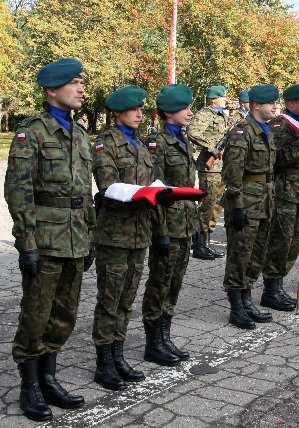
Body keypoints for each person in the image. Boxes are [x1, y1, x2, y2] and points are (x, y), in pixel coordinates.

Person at [4, 58, 93, 421]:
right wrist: (26, 243)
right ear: (52, 90)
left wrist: (88, 236)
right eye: (75, 82)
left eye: (83, 83)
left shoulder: (80, 134)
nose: (82, 89)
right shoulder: (33, 132)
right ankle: (30, 385)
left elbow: (86, 192)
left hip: (75, 238)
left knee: (65, 314)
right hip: (45, 238)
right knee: (36, 316)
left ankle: (49, 377)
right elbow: (18, 190)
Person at [91, 85, 154, 390]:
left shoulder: (140, 146)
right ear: (118, 112)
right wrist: (145, 194)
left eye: (142, 109)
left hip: (139, 232)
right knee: (110, 299)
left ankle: (118, 354)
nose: (140, 114)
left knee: (127, 298)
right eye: (134, 109)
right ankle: (104, 363)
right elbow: (108, 186)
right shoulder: (106, 143)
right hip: (114, 233)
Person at [141, 84, 198, 366]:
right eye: (185, 107)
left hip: (184, 223)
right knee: (160, 282)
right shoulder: (158, 143)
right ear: (169, 112)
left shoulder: (183, 139)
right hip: (168, 226)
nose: (190, 112)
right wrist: (160, 231)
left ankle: (165, 335)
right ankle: (153, 341)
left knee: (174, 283)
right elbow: (155, 191)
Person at [222, 84, 279, 329]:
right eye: (271, 104)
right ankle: (236, 306)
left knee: (257, 254)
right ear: (256, 106)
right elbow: (232, 172)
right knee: (240, 254)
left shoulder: (267, 131)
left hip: (265, 200)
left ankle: (247, 298)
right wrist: (237, 206)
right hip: (246, 200)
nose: (275, 107)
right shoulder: (242, 132)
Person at [258, 83, 299, 308]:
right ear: (291, 102)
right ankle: (271, 290)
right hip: (284, 192)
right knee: (281, 241)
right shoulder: (280, 125)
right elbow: (277, 160)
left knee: (294, 241)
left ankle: (279, 285)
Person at [188, 85, 231, 260]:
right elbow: (193, 132)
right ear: (215, 98)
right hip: (209, 168)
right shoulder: (206, 113)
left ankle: (206, 243)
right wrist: (212, 148)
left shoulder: (222, 115)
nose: (225, 99)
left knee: (215, 206)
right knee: (206, 206)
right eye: (223, 97)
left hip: (220, 168)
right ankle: (199, 245)